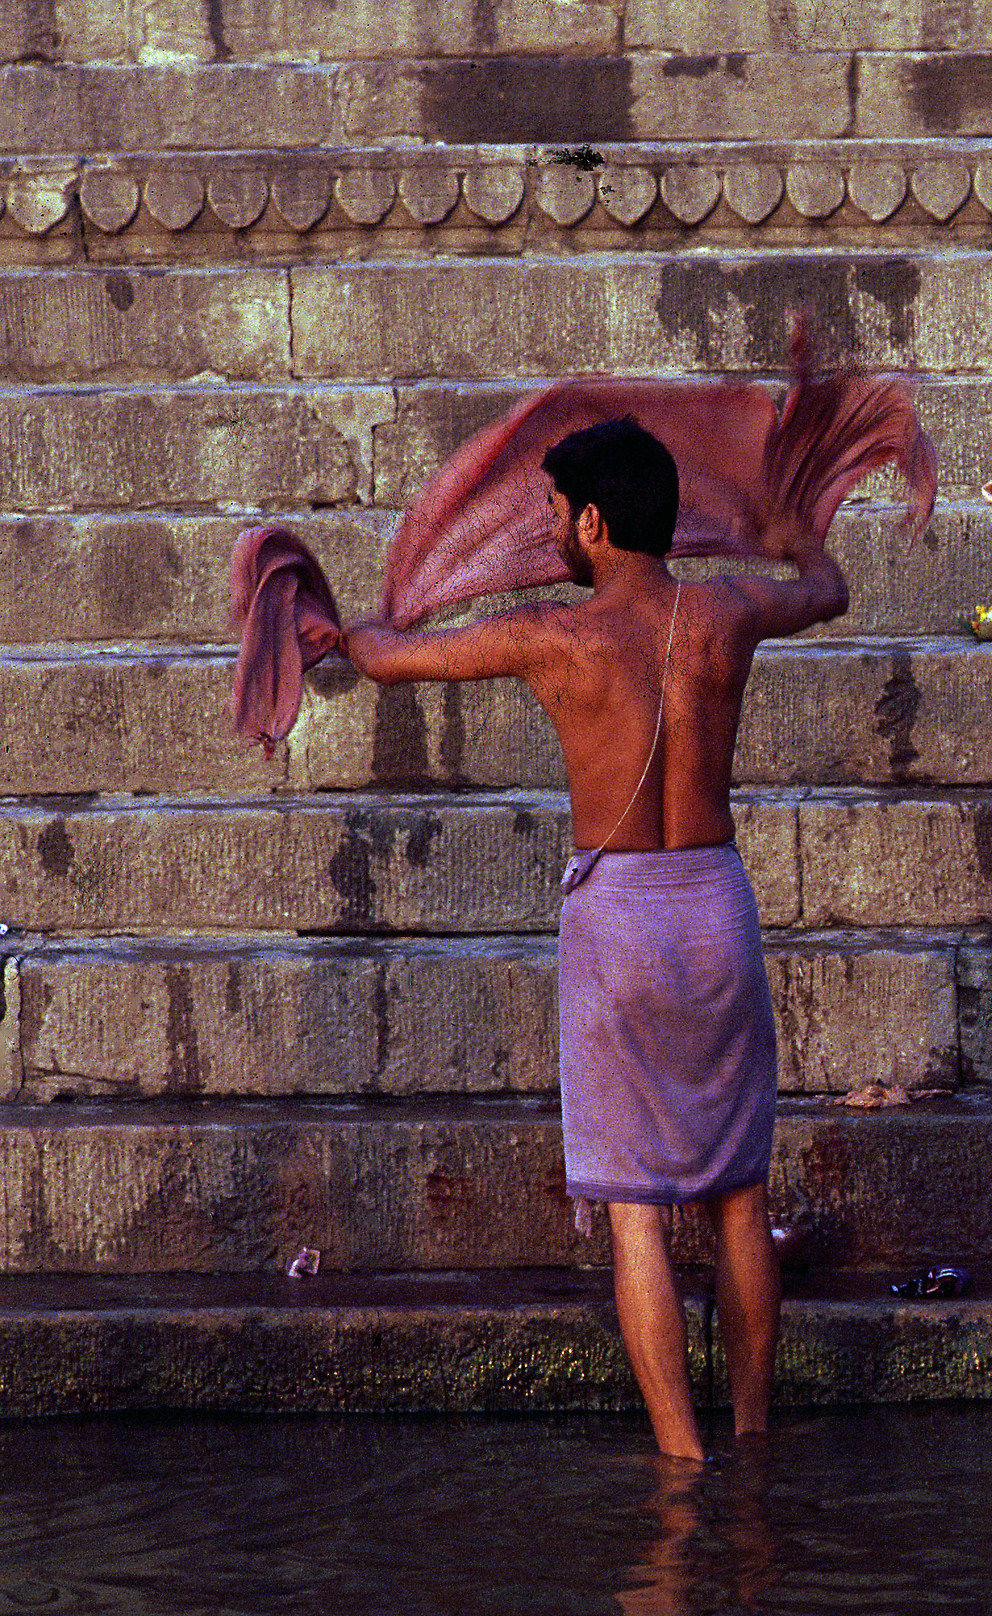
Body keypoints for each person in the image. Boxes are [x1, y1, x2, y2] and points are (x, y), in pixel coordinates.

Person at [343, 416, 850, 1459]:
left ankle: (682, 1458)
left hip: (620, 917)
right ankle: (754, 1440)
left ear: (596, 522)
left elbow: (393, 662)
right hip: (715, 903)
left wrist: (339, 625)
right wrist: (791, 524)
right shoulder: (730, 611)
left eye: (556, 516)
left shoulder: (555, 635)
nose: (550, 535)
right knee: (739, 1194)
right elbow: (828, 586)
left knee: (637, 1212)